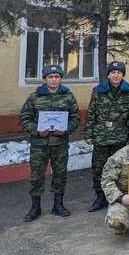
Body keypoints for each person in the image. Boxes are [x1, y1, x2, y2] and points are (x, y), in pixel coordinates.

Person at [19, 64, 80, 222]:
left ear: (60, 79)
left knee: (60, 175)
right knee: (36, 176)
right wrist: (38, 131)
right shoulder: (34, 97)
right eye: (50, 77)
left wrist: (65, 130)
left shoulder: (68, 96)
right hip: (39, 145)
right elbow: (24, 119)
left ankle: (58, 205)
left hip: (60, 144)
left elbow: (75, 118)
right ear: (44, 80)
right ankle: (35, 207)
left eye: (57, 77)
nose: (54, 80)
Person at [84, 61, 129, 213]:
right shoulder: (98, 91)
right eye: (113, 72)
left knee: (119, 168)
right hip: (101, 134)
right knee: (99, 167)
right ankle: (100, 197)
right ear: (108, 74)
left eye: (119, 72)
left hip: (120, 135)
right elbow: (91, 112)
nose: (116, 75)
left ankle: (117, 197)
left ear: (122, 74)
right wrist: (88, 133)